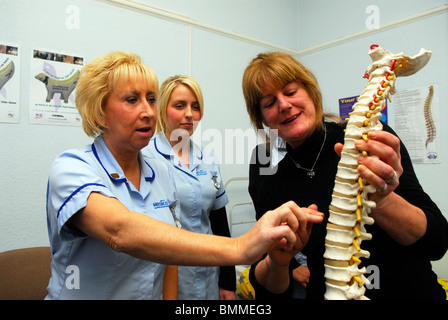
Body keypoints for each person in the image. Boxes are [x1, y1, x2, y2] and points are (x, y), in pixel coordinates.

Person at [45, 50, 324, 299]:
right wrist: (242, 247)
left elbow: (168, 257)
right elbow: (120, 231)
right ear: (99, 112)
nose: (148, 112)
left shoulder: (161, 173)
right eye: (132, 100)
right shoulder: (72, 168)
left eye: (151, 99)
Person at [242, 51, 448, 300]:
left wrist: (382, 199)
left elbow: (437, 242)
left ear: (310, 92)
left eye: (290, 91)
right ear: (262, 118)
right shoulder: (273, 182)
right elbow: (271, 289)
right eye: (269, 103)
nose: (284, 105)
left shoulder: (368, 140)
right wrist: (278, 262)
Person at [143, 75, 236, 300]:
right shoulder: (145, 158)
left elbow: (219, 224)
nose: (189, 114)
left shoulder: (208, 159)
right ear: (163, 110)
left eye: (195, 107)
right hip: (166, 274)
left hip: (209, 272)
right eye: (179, 105)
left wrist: (228, 282)